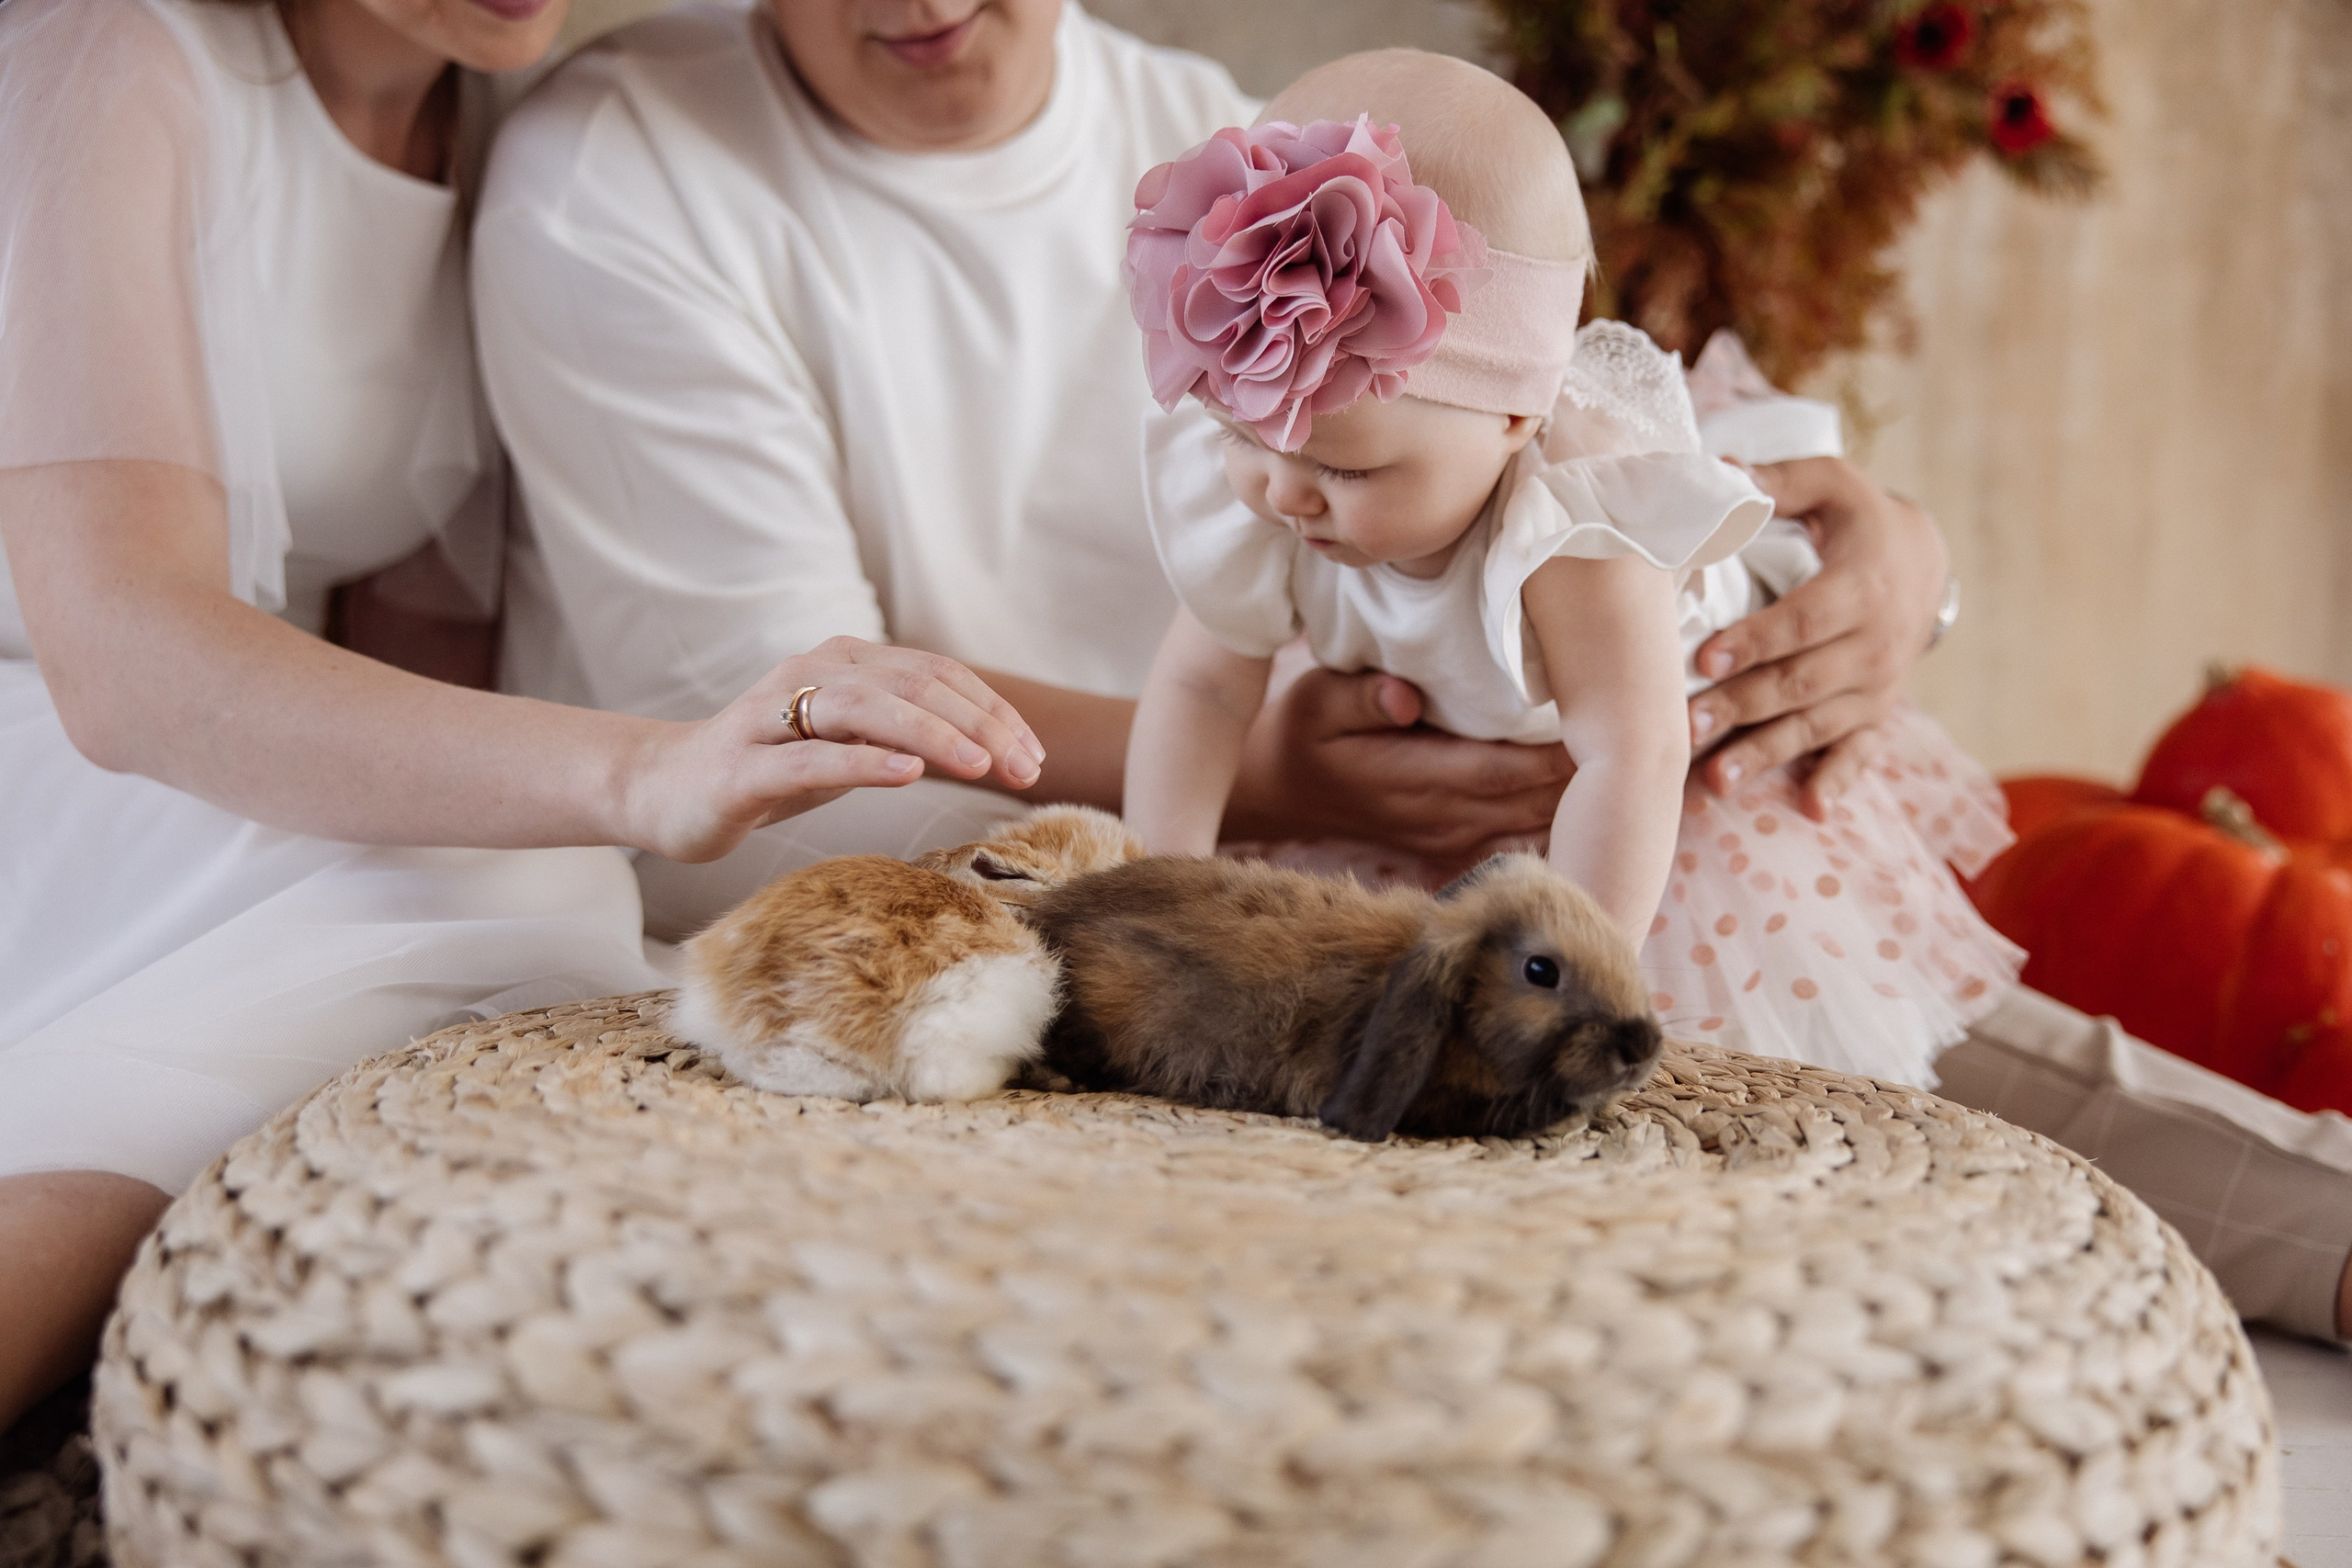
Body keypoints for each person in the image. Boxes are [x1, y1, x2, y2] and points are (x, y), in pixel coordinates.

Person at [481, 0, 2352, 1345]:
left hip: (1589, 842)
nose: (1285, 488)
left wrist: (1890, 564)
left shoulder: (1265, 155)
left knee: (1931, 1085)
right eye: (1265, 455)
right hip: (1257, 879)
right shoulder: (636, 168)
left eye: (1336, 466)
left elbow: (1632, 663)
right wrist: (1211, 845)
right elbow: (822, 699)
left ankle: (2311, 1225)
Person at [0, 0, 1041, 1435]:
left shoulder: (504, 119)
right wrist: (644, 772)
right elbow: (125, 661)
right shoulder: (112, 57)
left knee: (487, 879)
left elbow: (419, 648)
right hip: (65, 730)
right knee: (515, 874)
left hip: (190, 759)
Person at [1119, 59, 2023, 1086]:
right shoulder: (1276, 489)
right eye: (1243, 433)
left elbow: (1631, 756)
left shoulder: (1573, 538)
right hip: (1472, 769)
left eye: (1342, 467)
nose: (1282, 491)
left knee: (1705, 1079)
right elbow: (1200, 684)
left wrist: (1578, 998)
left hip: (1680, 778)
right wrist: (1165, 887)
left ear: (1515, 416)